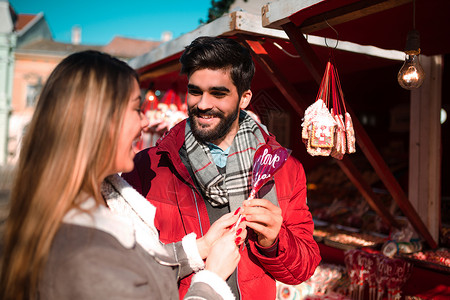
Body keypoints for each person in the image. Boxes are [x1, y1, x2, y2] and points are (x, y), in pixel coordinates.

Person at [0, 50, 244, 300]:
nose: (144, 122)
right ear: (98, 121)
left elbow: (138, 270)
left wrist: (200, 246)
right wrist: (212, 279)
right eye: (136, 108)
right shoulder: (85, 257)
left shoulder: (93, 202)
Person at [122, 36, 322, 300]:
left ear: (244, 98)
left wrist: (274, 241)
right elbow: (126, 268)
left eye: (218, 93)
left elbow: (302, 270)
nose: (203, 104)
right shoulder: (148, 166)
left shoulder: (284, 169)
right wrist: (199, 250)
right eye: (195, 91)